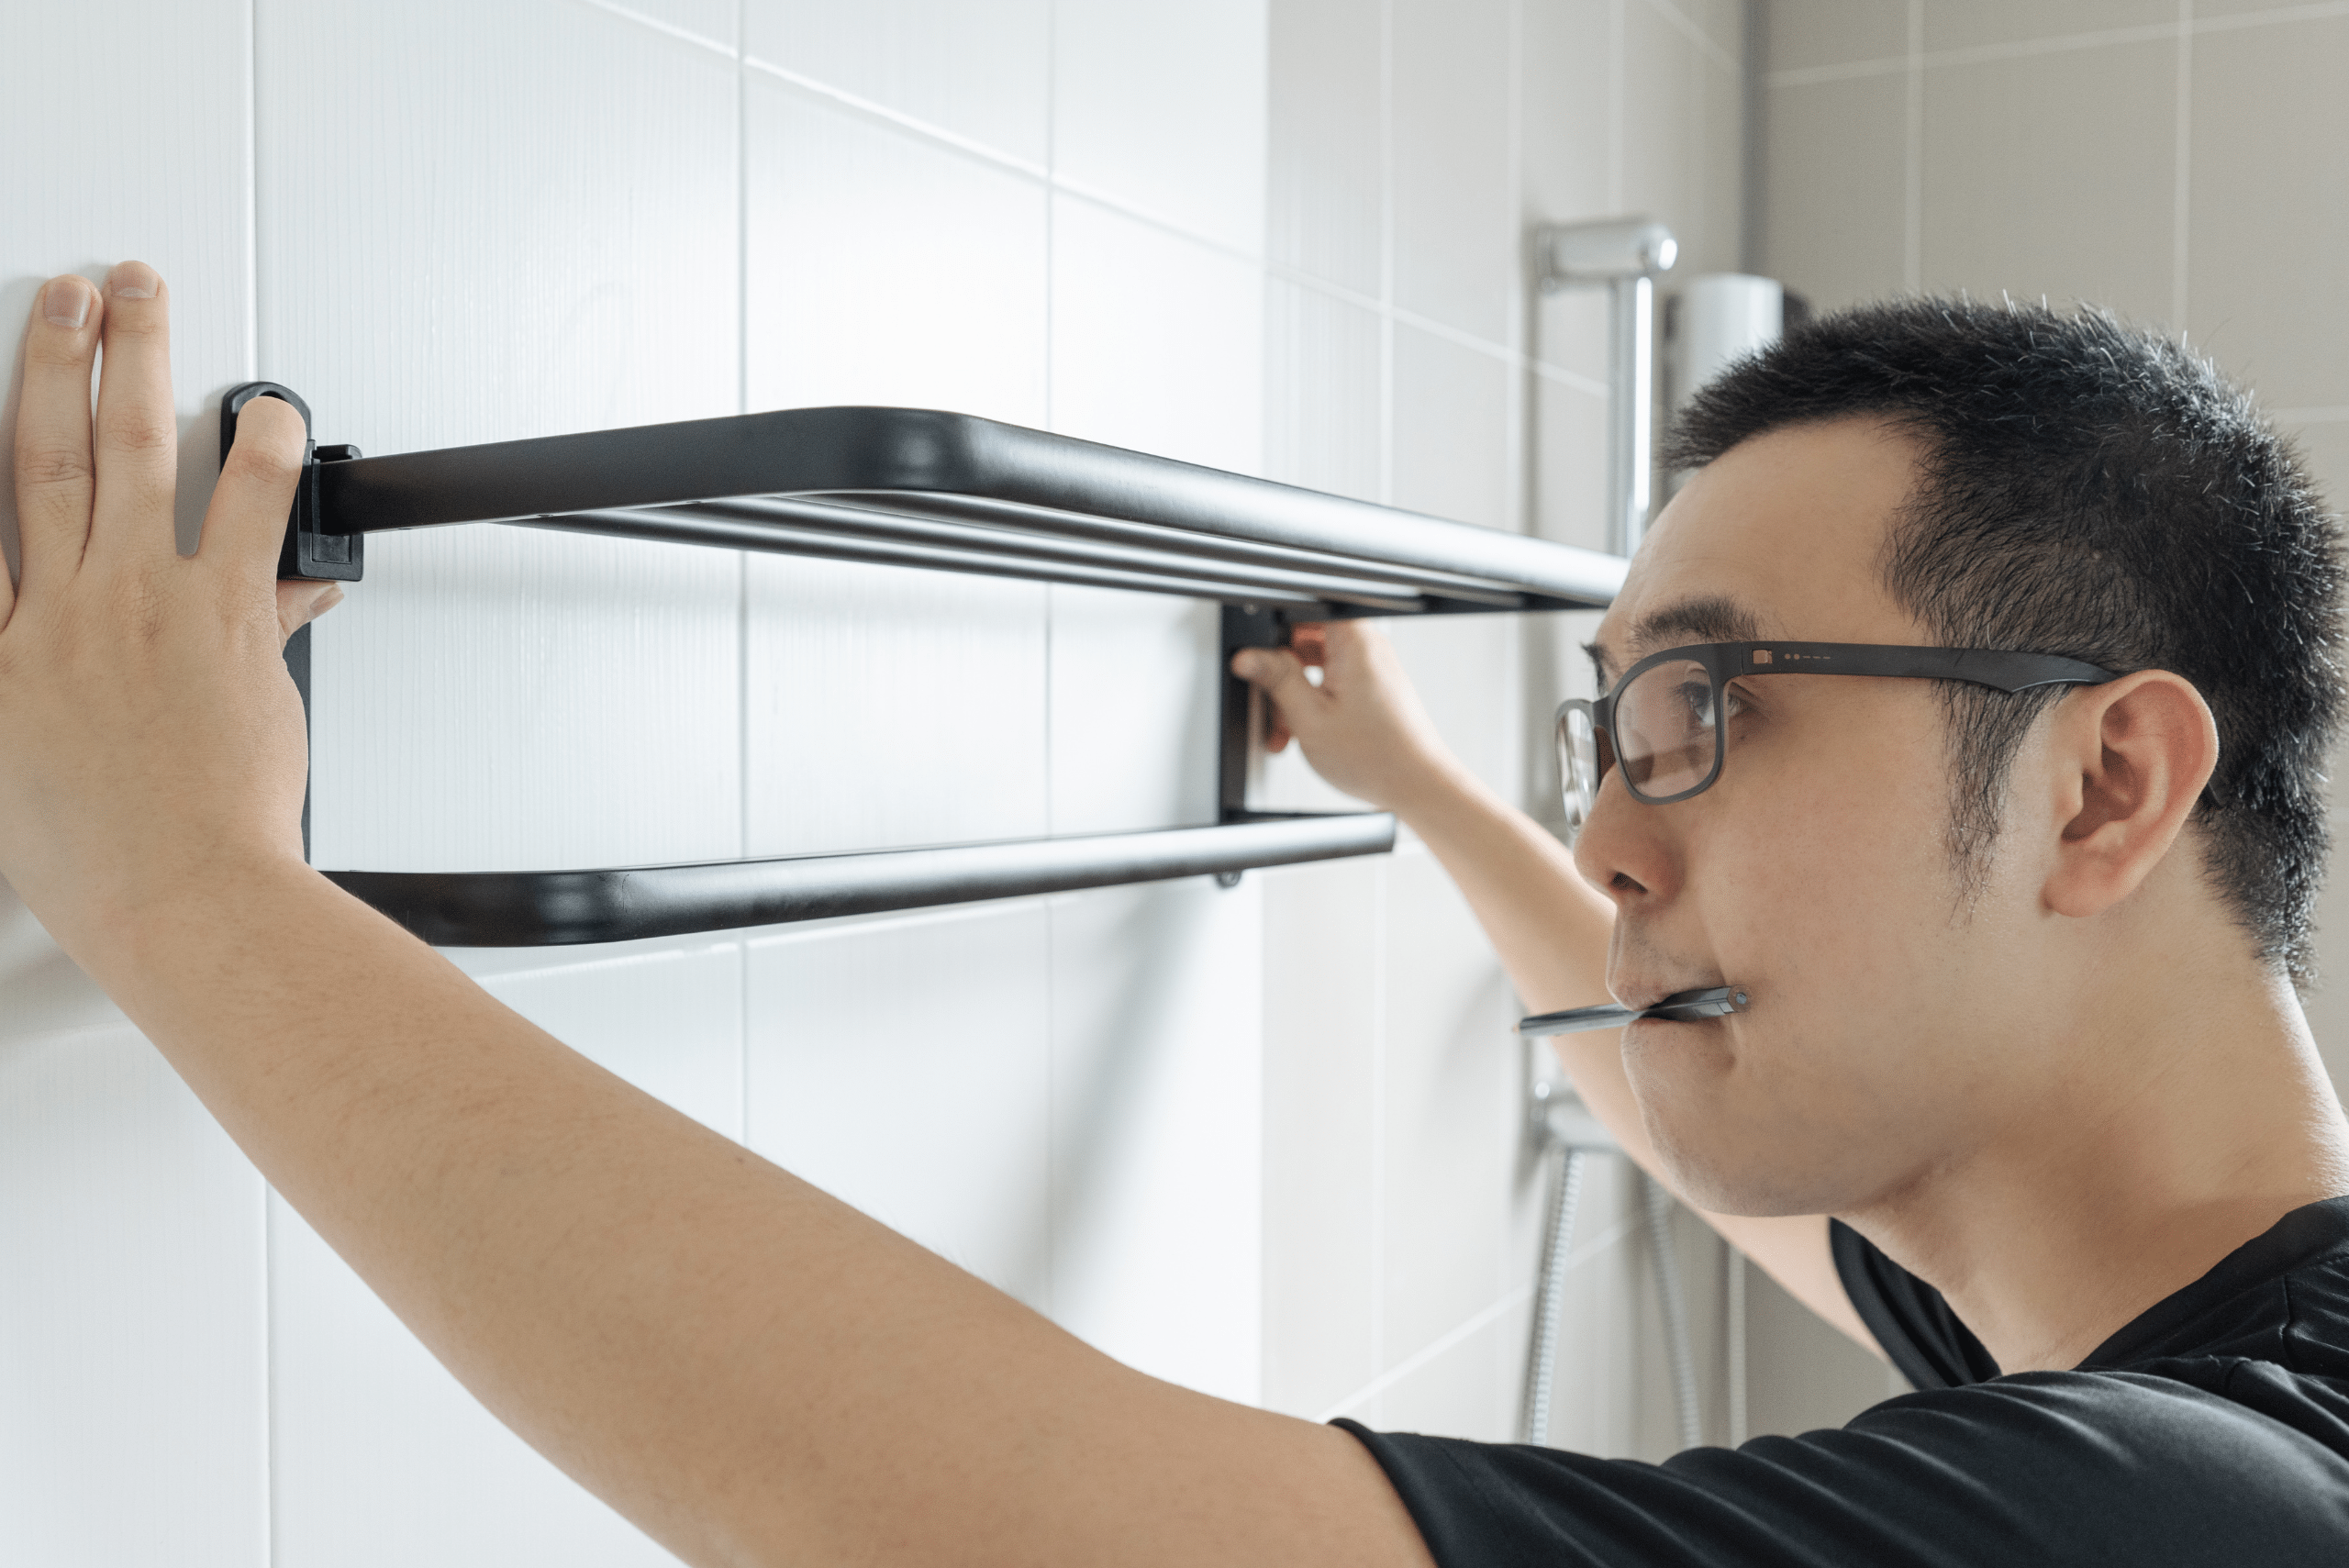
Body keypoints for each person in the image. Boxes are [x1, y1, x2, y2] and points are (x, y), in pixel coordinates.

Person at [4, 263, 2345, 1567]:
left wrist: (184, 878)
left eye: (1696, 713)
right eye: (1605, 734)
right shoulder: (2151, 1308)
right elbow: (1672, 1110)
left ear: (2099, 781)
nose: (1623, 846)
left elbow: (1003, 1535)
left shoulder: (2202, 1513)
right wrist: (1418, 783)